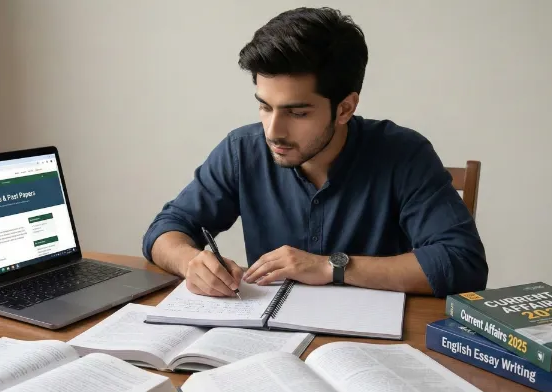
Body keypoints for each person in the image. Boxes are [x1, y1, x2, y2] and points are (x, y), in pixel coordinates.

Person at [142, 7, 487, 298]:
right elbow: (166, 229)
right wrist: (191, 262)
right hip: (272, 346)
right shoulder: (241, 150)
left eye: (297, 113)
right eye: (265, 106)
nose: (273, 131)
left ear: (345, 109)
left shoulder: (403, 154)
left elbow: (462, 263)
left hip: (369, 349)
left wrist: (330, 266)